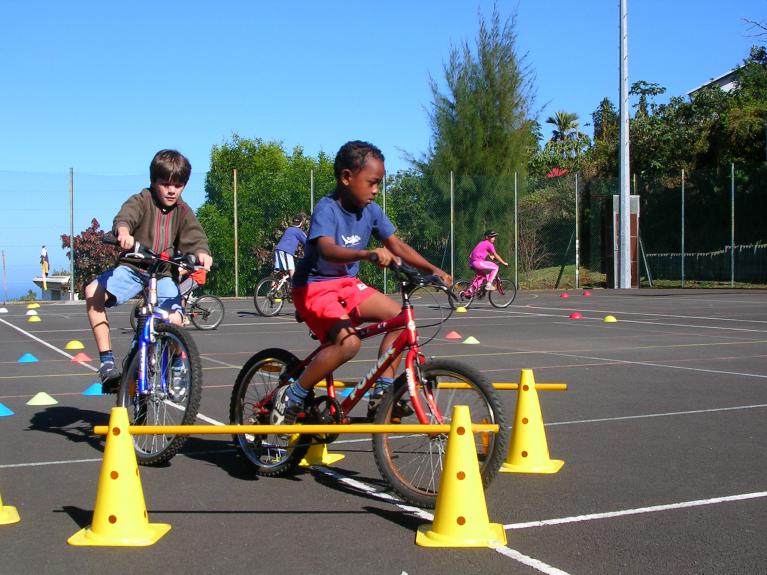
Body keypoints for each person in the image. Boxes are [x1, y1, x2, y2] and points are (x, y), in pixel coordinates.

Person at [271, 140, 451, 425]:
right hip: (313, 286)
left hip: (346, 283)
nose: (376, 190)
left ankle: (382, 392)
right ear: (346, 178)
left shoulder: (372, 211)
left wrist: (435, 270)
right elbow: (325, 249)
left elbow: (396, 245)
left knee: (400, 318)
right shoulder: (327, 209)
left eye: (379, 183)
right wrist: (366, 254)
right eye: (372, 182)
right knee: (349, 344)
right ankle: (293, 394)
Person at [84, 149, 213, 393]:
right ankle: (107, 362)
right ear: (153, 182)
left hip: (164, 273)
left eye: (179, 185)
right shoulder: (142, 200)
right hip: (134, 268)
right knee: (93, 292)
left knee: (176, 318)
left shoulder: (183, 211)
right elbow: (126, 217)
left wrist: (202, 252)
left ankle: (177, 364)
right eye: (165, 184)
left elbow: (195, 236)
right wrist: (123, 232)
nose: (172, 190)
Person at [273, 214, 307, 280]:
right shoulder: (298, 231)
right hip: (286, 251)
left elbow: (288, 241)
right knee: (292, 270)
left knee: (278, 274)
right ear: (301, 223)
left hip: (278, 250)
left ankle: (272, 289)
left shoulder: (288, 229)